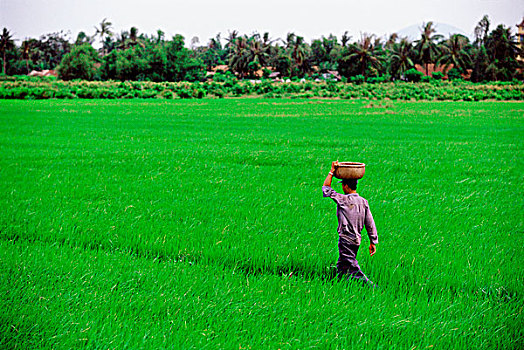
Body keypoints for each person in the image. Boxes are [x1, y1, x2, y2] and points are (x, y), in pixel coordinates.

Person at [322, 161, 378, 285]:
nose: (342, 187)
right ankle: (338, 285)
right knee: (342, 267)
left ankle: (371, 286)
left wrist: (332, 171)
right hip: (356, 240)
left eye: (342, 185)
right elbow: (370, 223)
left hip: (346, 239)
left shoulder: (343, 200)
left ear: (346, 186)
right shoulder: (364, 202)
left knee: (352, 268)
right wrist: (373, 241)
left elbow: (326, 188)